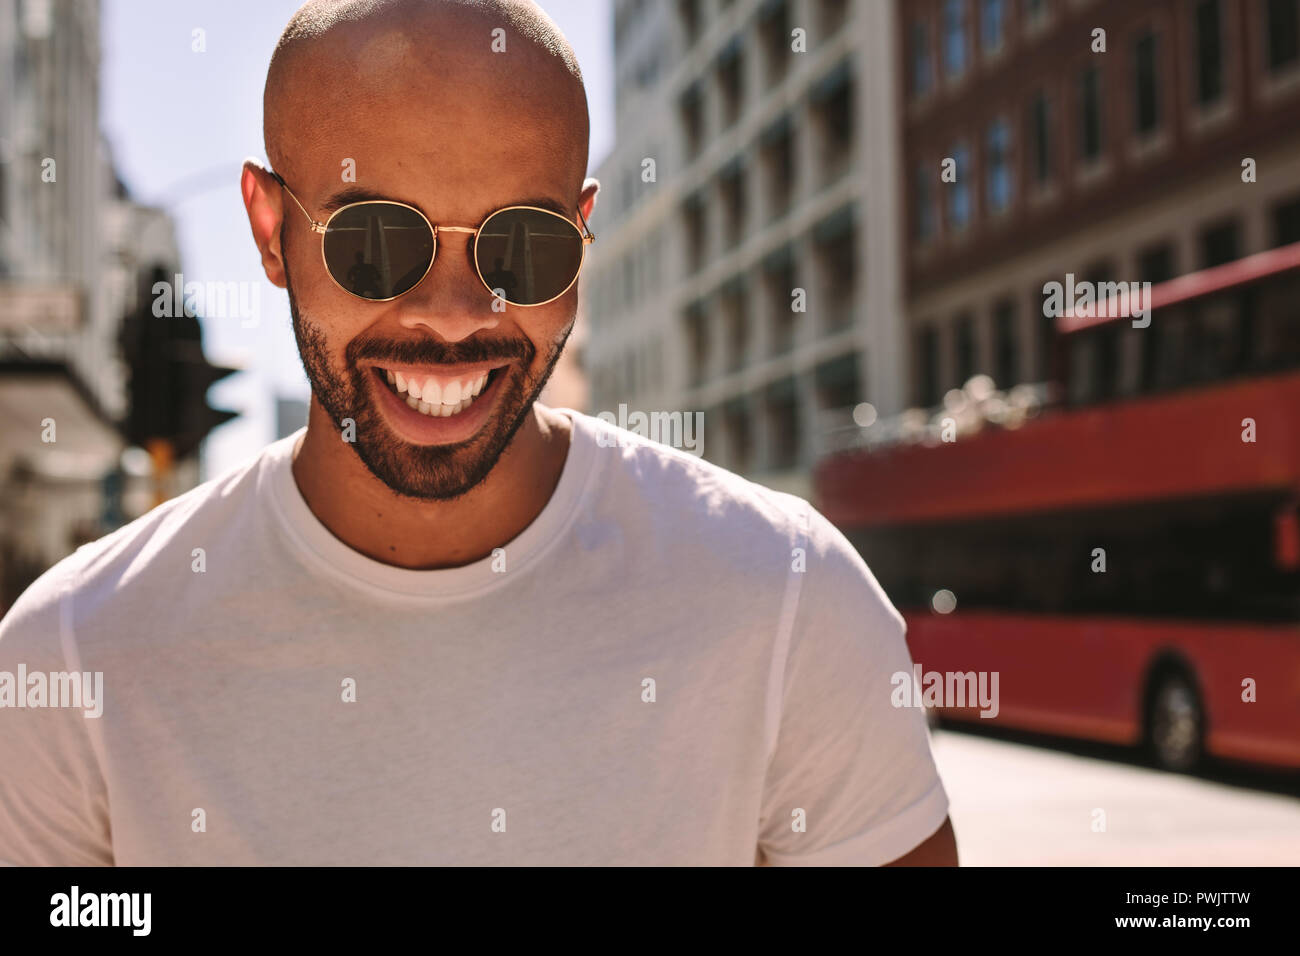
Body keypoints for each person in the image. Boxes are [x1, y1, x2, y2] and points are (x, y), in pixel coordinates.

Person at [0, 0, 956, 866]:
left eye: (521, 245)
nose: (455, 316)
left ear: (583, 235)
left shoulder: (787, 598)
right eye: (374, 239)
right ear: (268, 230)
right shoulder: (73, 653)